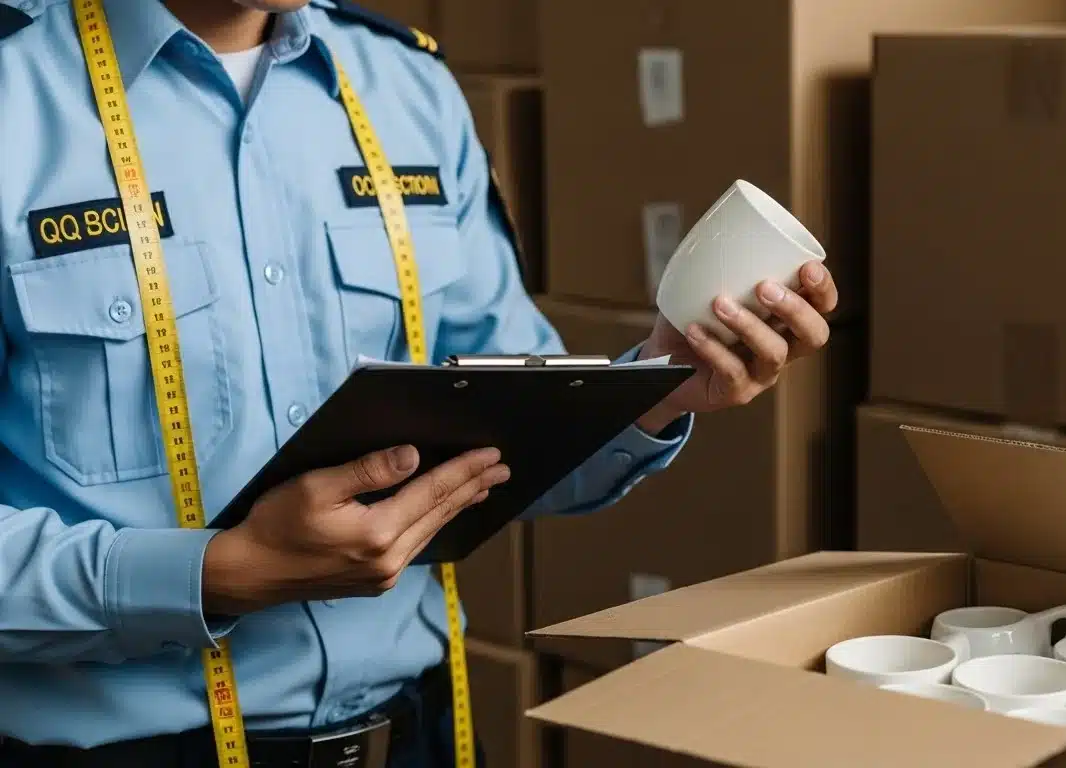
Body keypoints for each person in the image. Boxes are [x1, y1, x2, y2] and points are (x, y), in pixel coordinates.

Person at [0, 0, 840, 766]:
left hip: (412, 736)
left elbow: (504, 436)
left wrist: (659, 383)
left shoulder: (406, 86)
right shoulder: (18, 85)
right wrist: (213, 574)